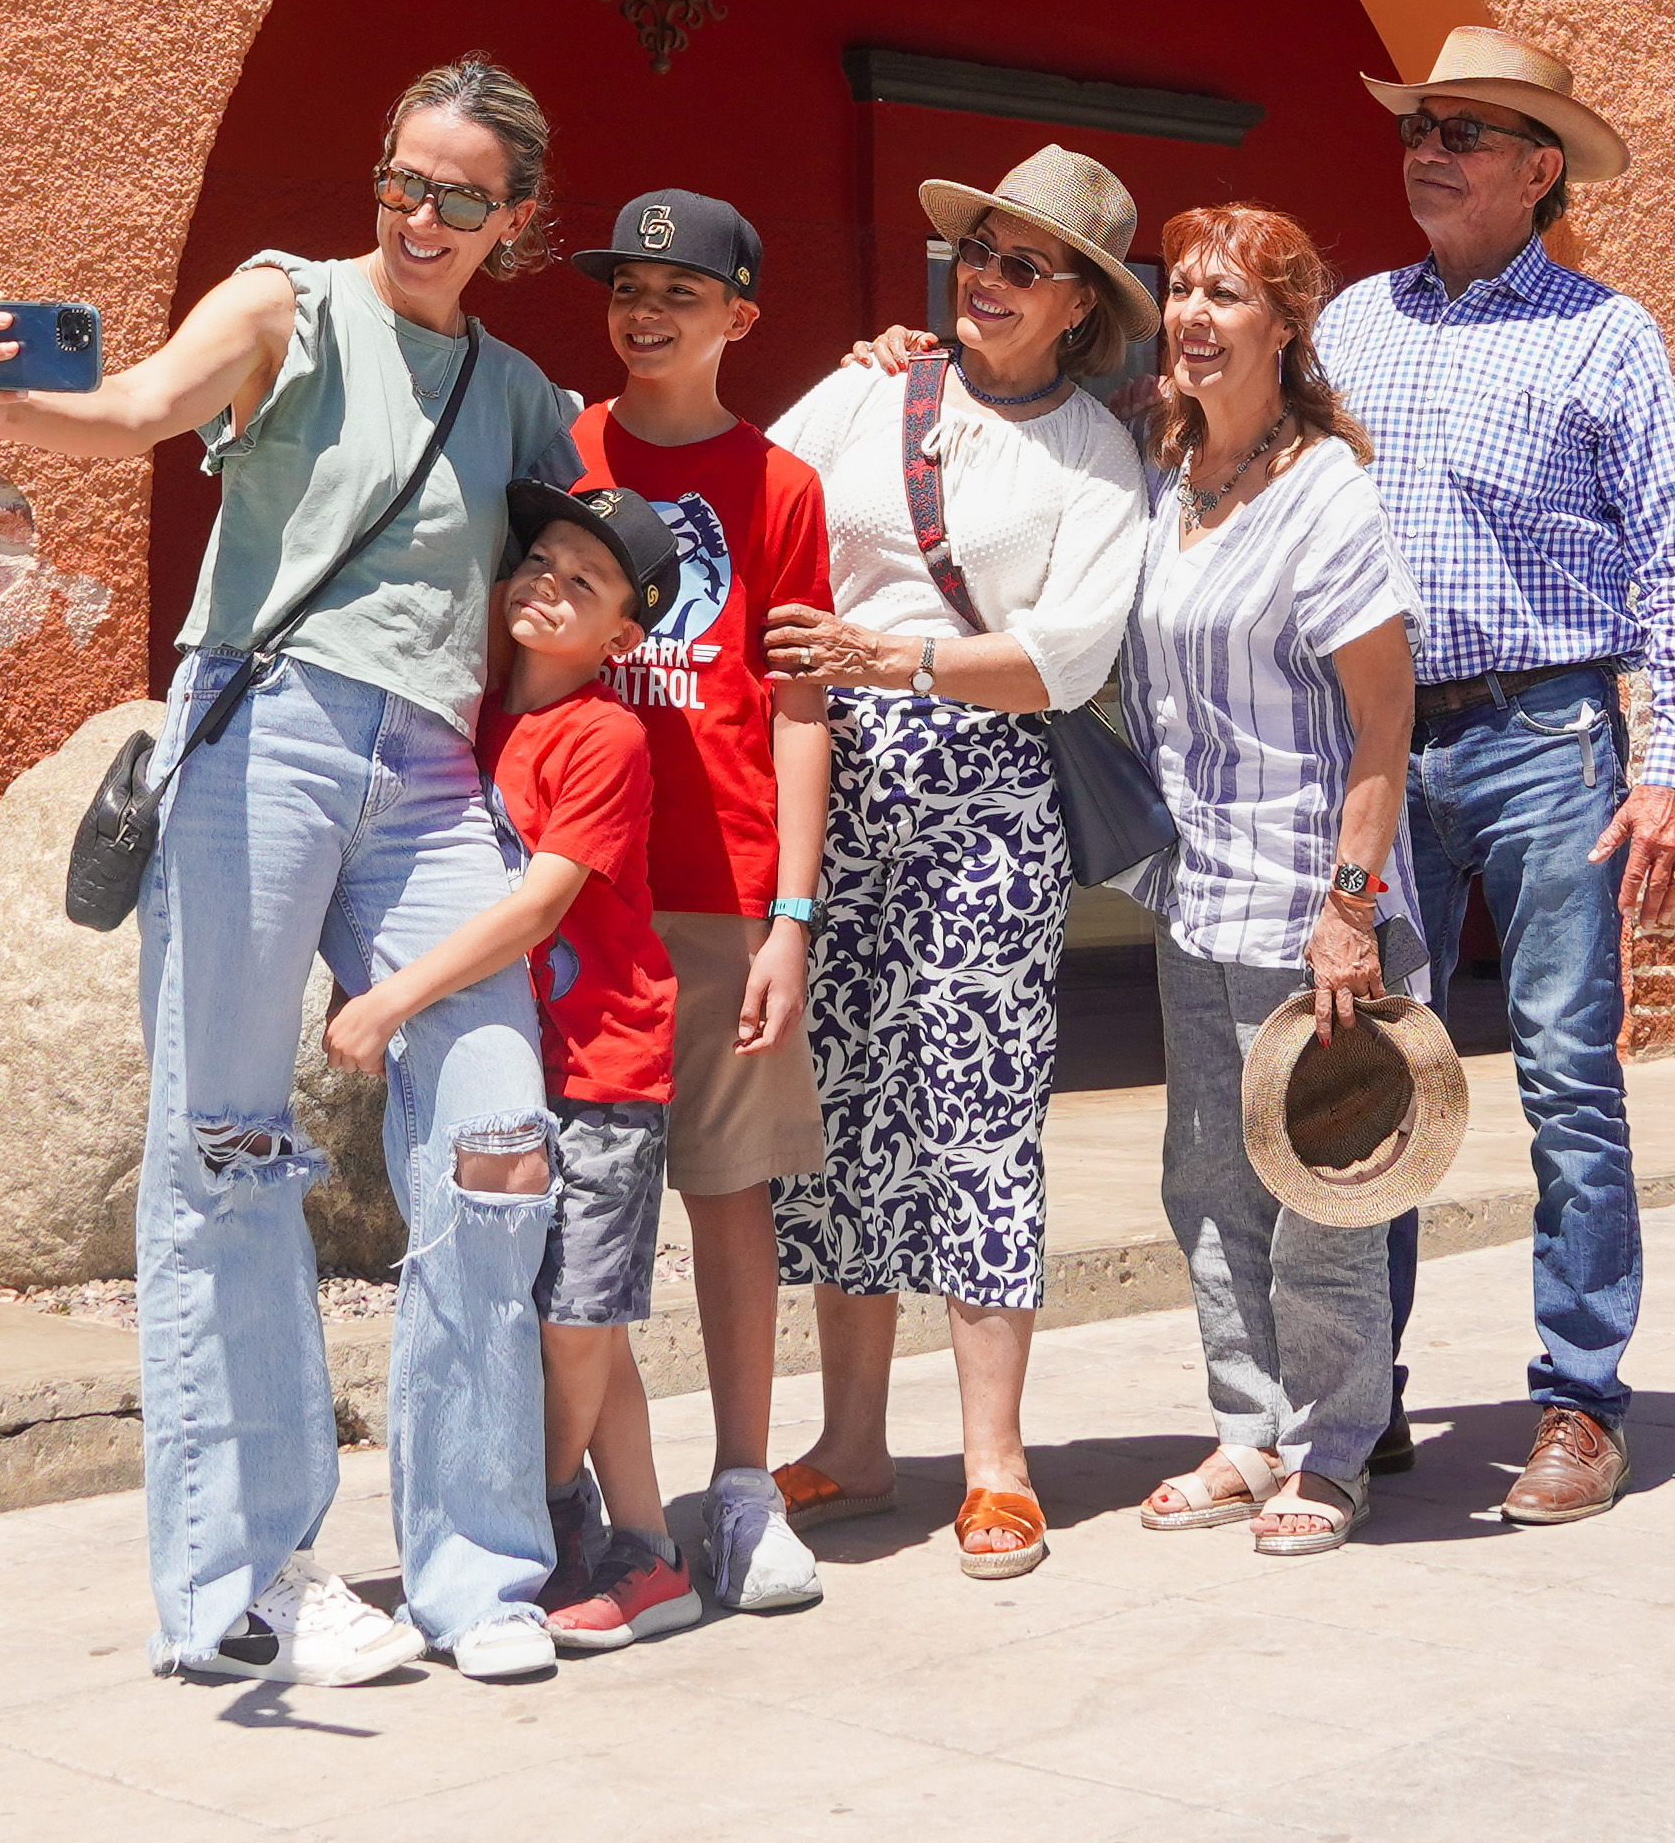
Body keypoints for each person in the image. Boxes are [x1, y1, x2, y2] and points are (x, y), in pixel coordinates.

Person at [0, 51, 589, 1689]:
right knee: (225, 1143)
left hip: (436, 777)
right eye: (398, 176)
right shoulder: (287, 303)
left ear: (514, 221)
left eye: (456, 194)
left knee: (502, 1132)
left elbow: (602, 559)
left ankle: (473, 1564)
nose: (416, 212)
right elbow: (146, 404)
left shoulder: (515, 396)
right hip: (266, 731)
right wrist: (17, 397)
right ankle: (249, 1582)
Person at [1315, 24, 1675, 1529]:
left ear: (1538, 170)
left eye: (1466, 133)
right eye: (1418, 127)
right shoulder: (1351, 326)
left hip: (1550, 738)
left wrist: (1670, 768)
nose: (1428, 151)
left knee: (1563, 1073)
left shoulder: (1606, 336)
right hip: (1376, 746)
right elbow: (1219, 451)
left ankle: (1580, 1400)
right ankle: (1365, 1397)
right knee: (1364, 1067)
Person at [753, 144, 1155, 1583]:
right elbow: (766, 493)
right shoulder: (874, 386)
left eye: (1023, 267)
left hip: (985, 797)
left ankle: (996, 1463)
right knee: (845, 1112)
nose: (987, 281)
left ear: (1081, 311)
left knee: (975, 1110)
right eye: (978, 253)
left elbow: (1068, 657)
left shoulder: (1098, 458)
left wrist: (899, 654)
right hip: (832, 783)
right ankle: (854, 1442)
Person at [321, 483, 697, 1652]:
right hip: (519, 1059)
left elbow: (539, 909)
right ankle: (645, 1552)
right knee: (571, 1316)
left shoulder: (605, 734)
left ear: (622, 638)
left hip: (601, 1065)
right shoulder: (472, 719)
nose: (547, 585)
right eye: (540, 559)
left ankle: (522, 1518)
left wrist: (389, 998)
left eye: (584, 584)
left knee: (572, 1323)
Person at [1116, 204, 1421, 1559]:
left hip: (1310, 904)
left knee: (1322, 1187)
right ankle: (1246, 1430)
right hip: (1197, 894)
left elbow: (1383, 720)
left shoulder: (1326, 492)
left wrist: (1351, 913)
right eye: (1181, 289)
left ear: (1287, 327)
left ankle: (1334, 1449)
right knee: (1208, 1177)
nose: (1193, 314)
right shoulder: (1167, 479)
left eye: (1227, 294)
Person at [555, 190, 844, 1614]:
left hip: (725, 893)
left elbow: (799, 710)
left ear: (740, 314)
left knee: (731, 1199)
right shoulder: (563, 450)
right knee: (584, 1215)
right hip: (575, 889)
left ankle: (740, 1490)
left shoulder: (781, 487)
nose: (646, 309)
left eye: (681, 287)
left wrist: (795, 912)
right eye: (628, 283)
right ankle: (622, 1513)